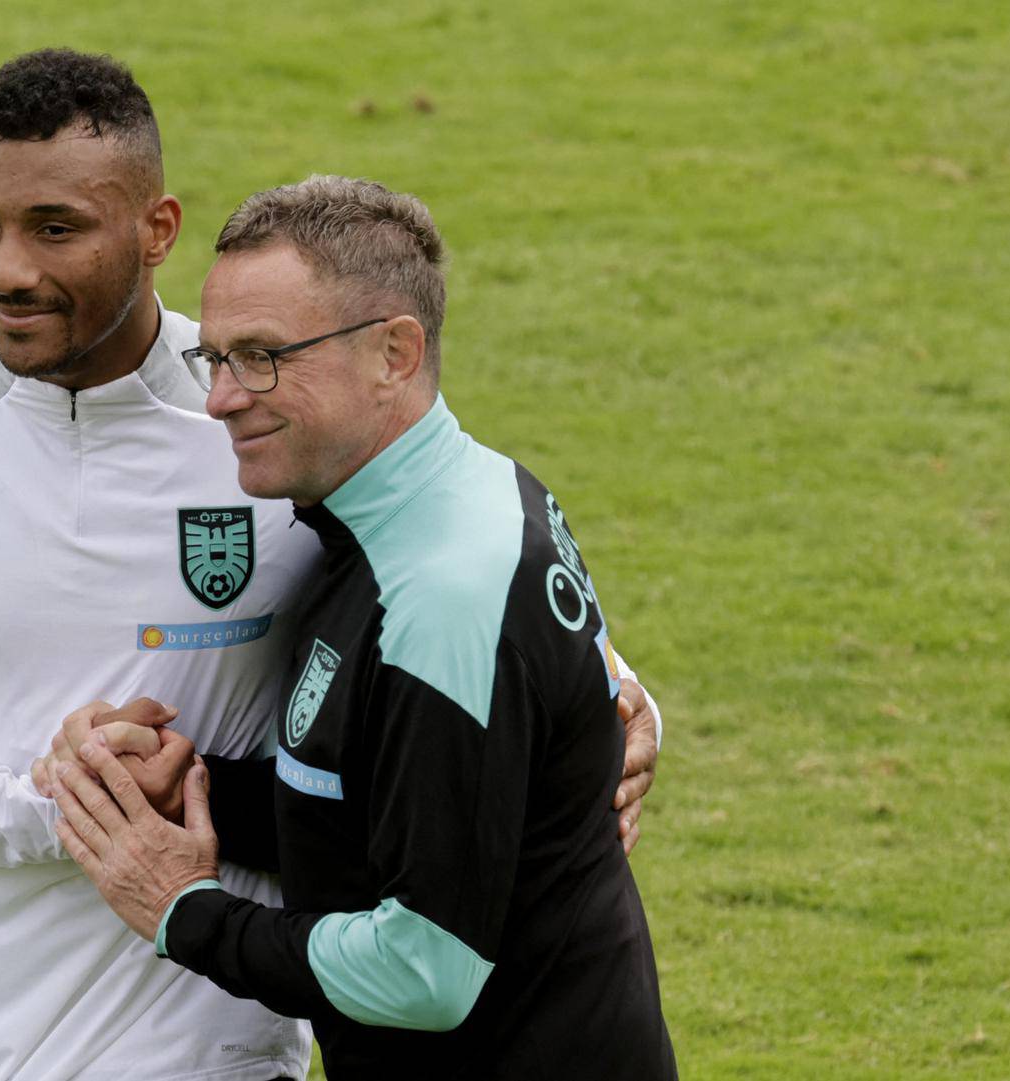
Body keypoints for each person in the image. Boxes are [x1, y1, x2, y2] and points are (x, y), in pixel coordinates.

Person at [0, 50, 661, 1080]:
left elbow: (457, 568)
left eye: (54, 228)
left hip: (234, 1050)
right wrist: (65, 805)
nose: (7, 269)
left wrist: (615, 693)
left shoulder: (266, 409)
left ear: (156, 231)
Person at [47, 176, 676, 1078]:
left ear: (393, 352)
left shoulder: (440, 594)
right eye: (214, 357)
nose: (222, 397)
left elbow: (428, 970)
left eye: (262, 357)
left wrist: (184, 911)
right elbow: (385, 804)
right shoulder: (451, 496)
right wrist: (189, 787)